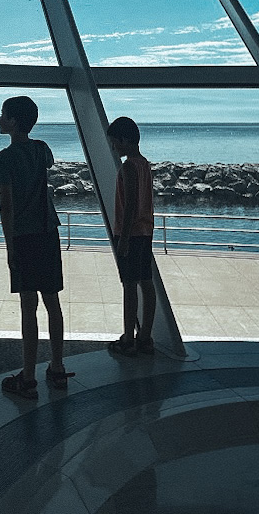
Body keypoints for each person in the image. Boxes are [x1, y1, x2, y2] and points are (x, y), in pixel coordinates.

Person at [0, 96, 74, 398]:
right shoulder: (42, 150)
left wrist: (9, 247)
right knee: (53, 302)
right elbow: (44, 171)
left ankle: (28, 376)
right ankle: (58, 367)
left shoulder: (4, 158)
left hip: (24, 237)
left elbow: (6, 207)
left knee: (29, 307)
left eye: (3, 116)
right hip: (48, 231)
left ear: (13, 121)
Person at [106, 116, 156, 357]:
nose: (113, 148)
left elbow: (129, 207)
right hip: (146, 232)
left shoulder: (127, 167)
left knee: (129, 286)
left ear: (124, 140)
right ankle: (145, 337)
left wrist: (123, 239)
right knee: (146, 284)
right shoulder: (144, 163)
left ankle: (128, 338)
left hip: (131, 235)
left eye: (114, 143)